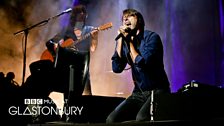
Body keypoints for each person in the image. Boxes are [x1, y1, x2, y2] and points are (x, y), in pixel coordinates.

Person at [106, 9, 171, 123]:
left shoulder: (152, 38)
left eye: (130, 16)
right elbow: (117, 68)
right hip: (138, 93)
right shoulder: (125, 41)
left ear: (139, 20)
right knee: (112, 120)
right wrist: (120, 42)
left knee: (141, 119)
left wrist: (129, 42)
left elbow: (142, 63)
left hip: (157, 91)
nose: (125, 19)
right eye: (123, 18)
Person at [43, 4, 98, 99]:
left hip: (82, 69)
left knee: (87, 98)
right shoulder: (67, 30)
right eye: (79, 12)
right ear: (74, 16)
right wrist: (55, 47)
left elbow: (93, 49)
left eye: (83, 12)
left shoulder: (90, 29)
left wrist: (95, 38)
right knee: (68, 98)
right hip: (67, 69)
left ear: (86, 15)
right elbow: (49, 42)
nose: (82, 14)